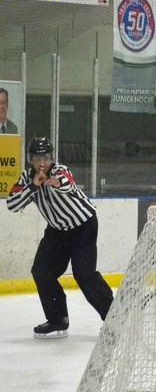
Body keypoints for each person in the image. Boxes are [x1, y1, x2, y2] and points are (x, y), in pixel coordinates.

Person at [6, 136, 114, 338]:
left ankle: (115, 318)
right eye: (37, 158)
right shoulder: (26, 178)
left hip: (83, 227)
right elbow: (12, 204)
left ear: (51, 158)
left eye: (45, 157)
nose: (41, 163)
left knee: (84, 275)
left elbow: (67, 182)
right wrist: (33, 186)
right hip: (57, 232)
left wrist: (55, 183)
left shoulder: (59, 171)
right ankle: (58, 320)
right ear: (30, 159)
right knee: (41, 271)